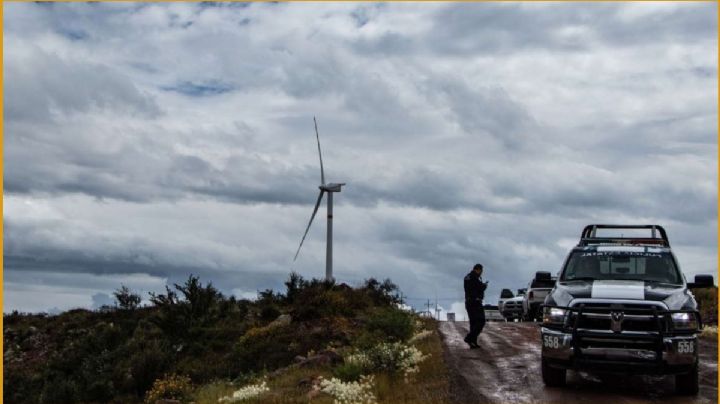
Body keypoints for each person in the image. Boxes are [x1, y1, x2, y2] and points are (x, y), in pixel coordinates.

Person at [464, 263, 488, 348]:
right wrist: (484, 286)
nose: (481, 273)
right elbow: (479, 288)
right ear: (478, 269)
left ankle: (473, 343)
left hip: (468, 302)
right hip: (475, 302)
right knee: (481, 321)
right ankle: (469, 338)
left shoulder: (467, 277)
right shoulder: (474, 277)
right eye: (481, 271)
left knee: (473, 323)